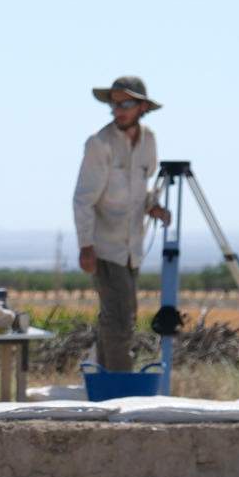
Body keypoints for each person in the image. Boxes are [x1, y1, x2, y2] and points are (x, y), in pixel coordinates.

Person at [72, 75, 172, 372]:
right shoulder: (99, 144)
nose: (118, 111)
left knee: (117, 316)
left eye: (126, 104)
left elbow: (142, 188)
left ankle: (103, 378)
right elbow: (83, 199)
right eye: (114, 105)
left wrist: (153, 206)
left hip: (132, 247)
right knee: (120, 318)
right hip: (105, 247)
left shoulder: (148, 140)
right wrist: (86, 246)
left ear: (142, 107)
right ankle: (120, 383)